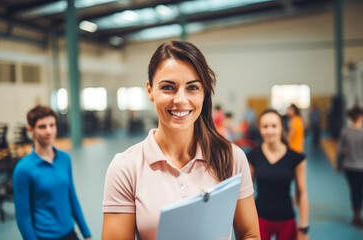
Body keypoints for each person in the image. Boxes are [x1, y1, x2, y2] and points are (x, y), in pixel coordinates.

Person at [102, 41, 260, 240]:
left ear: (204, 93)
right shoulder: (125, 168)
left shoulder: (231, 157)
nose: (180, 100)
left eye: (192, 87)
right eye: (168, 87)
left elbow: (250, 234)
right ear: (150, 90)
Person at [13, 105, 92, 240]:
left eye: (52, 125)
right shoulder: (23, 169)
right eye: (42, 126)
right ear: (30, 130)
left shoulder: (64, 159)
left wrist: (86, 234)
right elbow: (23, 218)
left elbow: (72, 198)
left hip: (70, 233)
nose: (49, 131)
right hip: (45, 237)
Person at [247, 109, 309, 240]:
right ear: (260, 129)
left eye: (274, 126)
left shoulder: (296, 158)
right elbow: (247, 192)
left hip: (286, 219)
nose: (269, 131)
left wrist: (303, 228)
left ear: (282, 128)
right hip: (260, 219)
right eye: (265, 126)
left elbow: (302, 193)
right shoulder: (253, 156)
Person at [337, 105, 363, 227]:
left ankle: (356, 213)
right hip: (361, 167)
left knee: (354, 190)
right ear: (360, 117)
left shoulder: (345, 131)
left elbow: (340, 150)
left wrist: (338, 165)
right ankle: (358, 214)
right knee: (360, 191)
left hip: (349, 167)